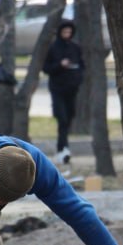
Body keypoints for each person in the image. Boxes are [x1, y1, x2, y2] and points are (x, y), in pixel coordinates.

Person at [42, 19, 84, 165]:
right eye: (65, 32)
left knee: (68, 118)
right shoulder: (54, 48)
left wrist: (78, 78)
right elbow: (46, 68)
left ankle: (64, 149)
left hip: (72, 88)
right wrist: (60, 65)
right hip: (58, 88)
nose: (67, 34)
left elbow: (81, 66)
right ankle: (62, 148)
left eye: (69, 32)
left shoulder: (75, 48)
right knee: (62, 118)